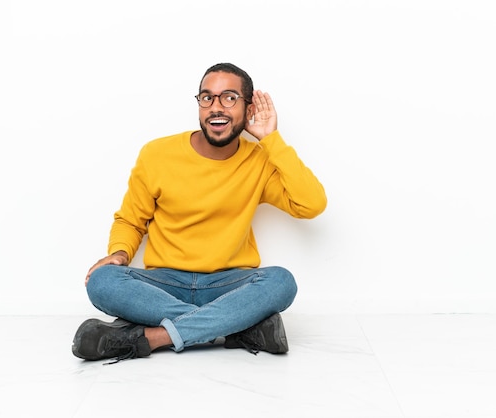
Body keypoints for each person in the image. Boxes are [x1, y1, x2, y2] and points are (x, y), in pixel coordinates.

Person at [72, 63, 327, 363]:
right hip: (165, 284)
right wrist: (118, 254)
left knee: (282, 282)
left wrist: (271, 140)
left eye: (229, 98)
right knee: (103, 281)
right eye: (207, 98)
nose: (215, 108)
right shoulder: (157, 154)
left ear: (248, 108)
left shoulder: (258, 160)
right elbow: (130, 219)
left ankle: (153, 338)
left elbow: (311, 204)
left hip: (228, 285)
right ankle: (237, 328)